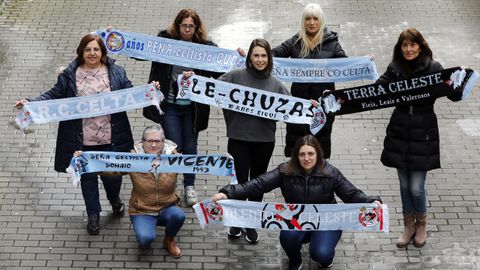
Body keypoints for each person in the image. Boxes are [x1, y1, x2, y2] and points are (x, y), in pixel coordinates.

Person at [15, 34, 135, 235]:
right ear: (81, 52)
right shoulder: (70, 75)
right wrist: (31, 102)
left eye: (96, 49)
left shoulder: (116, 72)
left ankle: (114, 200)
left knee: (112, 178)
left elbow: (130, 92)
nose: (92, 53)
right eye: (87, 49)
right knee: (87, 179)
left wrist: (150, 91)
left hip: (110, 137)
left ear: (102, 52)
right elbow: (53, 95)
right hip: (81, 139)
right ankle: (93, 215)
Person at [211, 135, 382, 270]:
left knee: (320, 254)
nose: (306, 158)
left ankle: (326, 258)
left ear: (318, 154)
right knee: (287, 236)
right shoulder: (285, 171)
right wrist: (228, 193)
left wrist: (372, 201)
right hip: (296, 220)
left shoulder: (331, 173)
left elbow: (351, 194)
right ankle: (295, 260)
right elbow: (258, 184)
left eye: (311, 153)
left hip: (326, 222)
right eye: (302, 154)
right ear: (296, 155)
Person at [376, 28, 462, 248]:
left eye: (412, 45)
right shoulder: (395, 68)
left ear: (421, 46)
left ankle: (421, 224)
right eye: (404, 45)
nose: (408, 49)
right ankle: (408, 226)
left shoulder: (433, 68)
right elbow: (376, 91)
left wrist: (457, 82)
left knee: (416, 187)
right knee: (404, 185)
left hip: (423, 133)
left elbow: (454, 95)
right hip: (399, 131)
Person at [142, 8, 222, 206]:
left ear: (196, 28)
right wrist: (116, 40)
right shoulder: (165, 41)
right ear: (177, 26)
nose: (187, 29)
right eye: (184, 25)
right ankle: (171, 186)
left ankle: (189, 186)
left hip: (193, 109)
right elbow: (139, 51)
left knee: (191, 147)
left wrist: (238, 57)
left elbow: (220, 72)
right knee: (174, 145)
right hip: (170, 105)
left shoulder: (205, 46)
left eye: (191, 26)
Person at [217, 38, 289, 244]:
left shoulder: (276, 85)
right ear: (249, 57)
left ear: (269, 58)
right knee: (239, 182)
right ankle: (236, 221)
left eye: (263, 55)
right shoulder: (235, 76)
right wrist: (191, 79)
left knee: (257, 183)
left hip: (264, 141)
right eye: (256, 55)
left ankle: (251, 221)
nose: (259, 60)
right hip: (238, 138)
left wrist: (308, 106)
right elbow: (210, 89)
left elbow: (292, 108)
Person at [76, 125, 185, 257]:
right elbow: (111, 168)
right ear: (143, 141)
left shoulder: (175, 158)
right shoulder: (132, 158)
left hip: (167, 206)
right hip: (142, 209)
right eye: (150, 141)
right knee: (145, 240)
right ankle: (146, 230)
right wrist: (86, 160)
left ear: (164, 141)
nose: (154, 145)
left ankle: (169, 240)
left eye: (158, 141)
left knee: (179, 216)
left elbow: (198, 166)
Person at [271, 3, 347, 159]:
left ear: (321, 21)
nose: (311, 23)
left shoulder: (332, 44)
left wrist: (364, 63)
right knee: (297, 149)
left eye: (315, 19)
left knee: (319, 149)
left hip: (323, 106)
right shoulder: (295, 42)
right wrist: (251, 54)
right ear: (303, 21)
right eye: (308, 19)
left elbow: (346, 66)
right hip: (299, 105)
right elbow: (271, 54)